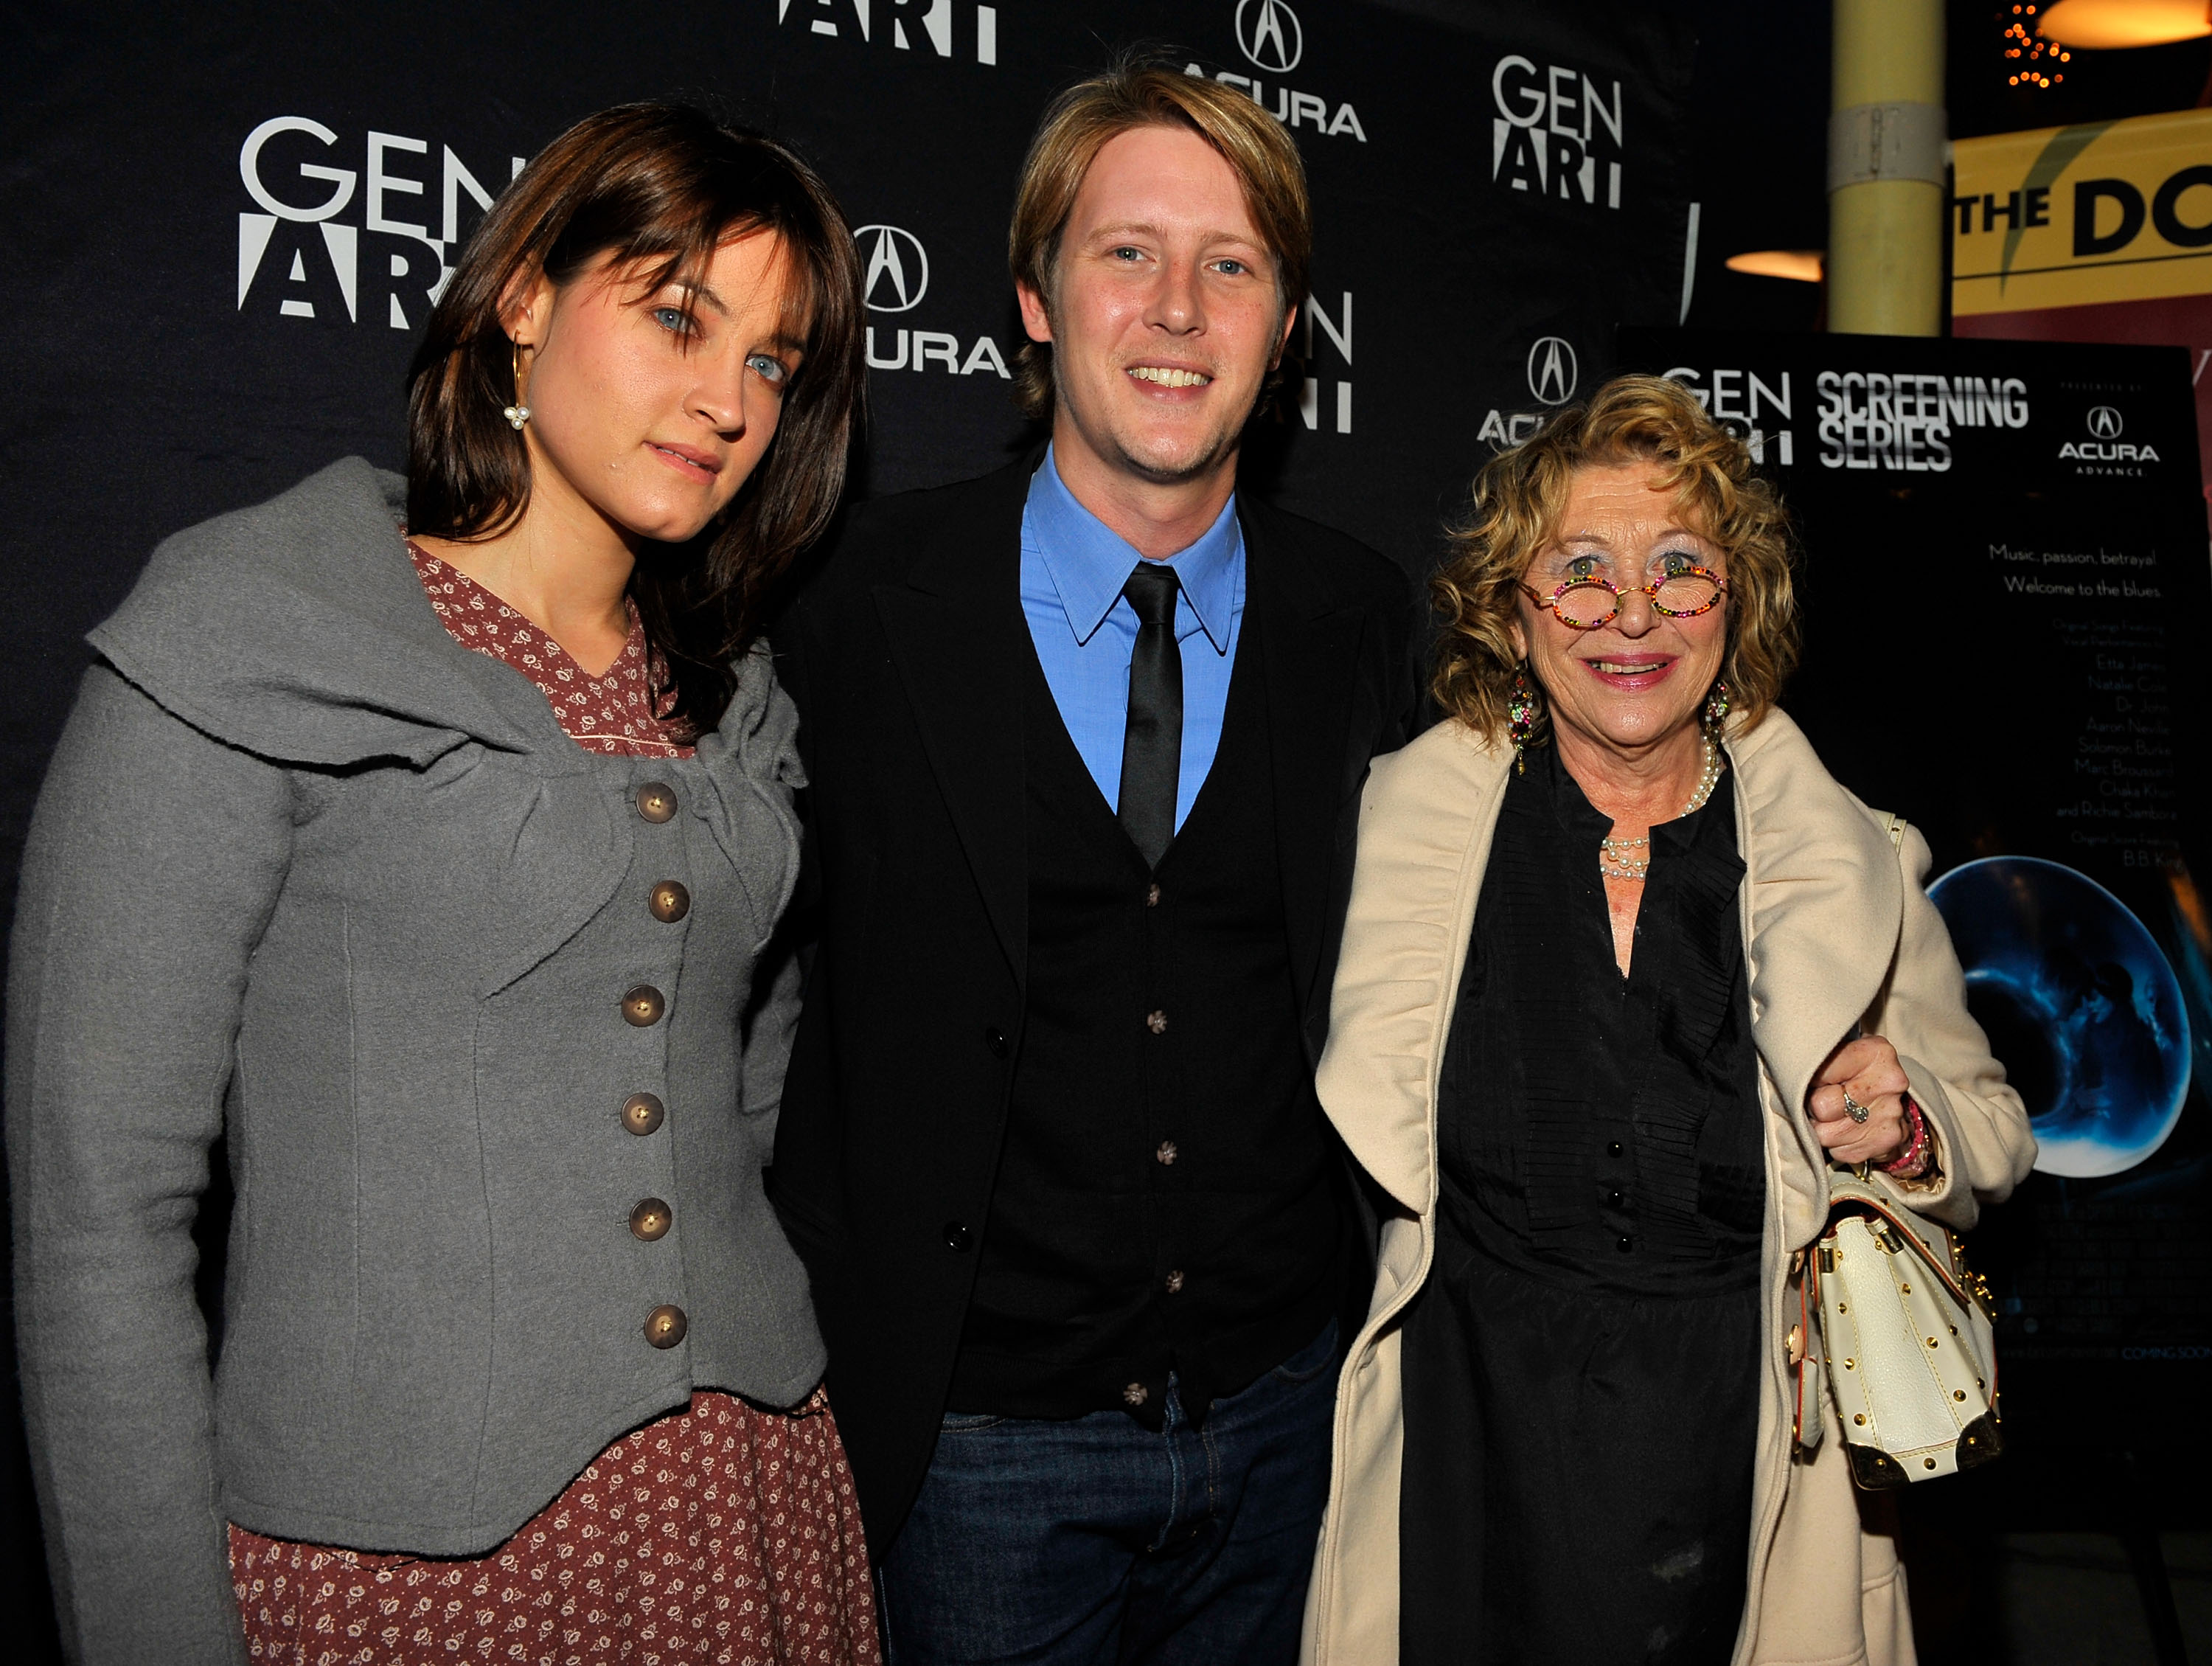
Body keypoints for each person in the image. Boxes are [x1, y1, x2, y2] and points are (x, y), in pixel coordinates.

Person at [7, 103, 875, 1666]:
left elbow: (747, 1100)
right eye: (678, 315)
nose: (727, 397)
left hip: (749, 1505)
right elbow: (97, 1220)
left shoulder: (741, 705)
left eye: (771, 362)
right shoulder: (257, 624)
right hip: (410, 1565)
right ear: (525, 299)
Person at [769, 60, 1418, 1665]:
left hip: (1286, 1433)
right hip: (975, 1452)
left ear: (1287, 328)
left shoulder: (1360, 618)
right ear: (1036, 300)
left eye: (1233, 265)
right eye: (1127, 250)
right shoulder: (854, 603)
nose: (1179, 309)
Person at [1299, 375, 2037, 1666]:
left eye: (1680, 565)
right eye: (1580, 568)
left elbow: (1991, 1130)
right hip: (1469, 1466)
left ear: (1734, 600)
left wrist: (1909, 1127)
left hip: (1744, 1461)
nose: (1631, 612)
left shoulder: (1850, 859)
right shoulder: (1396, 833)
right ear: (1512, 613)